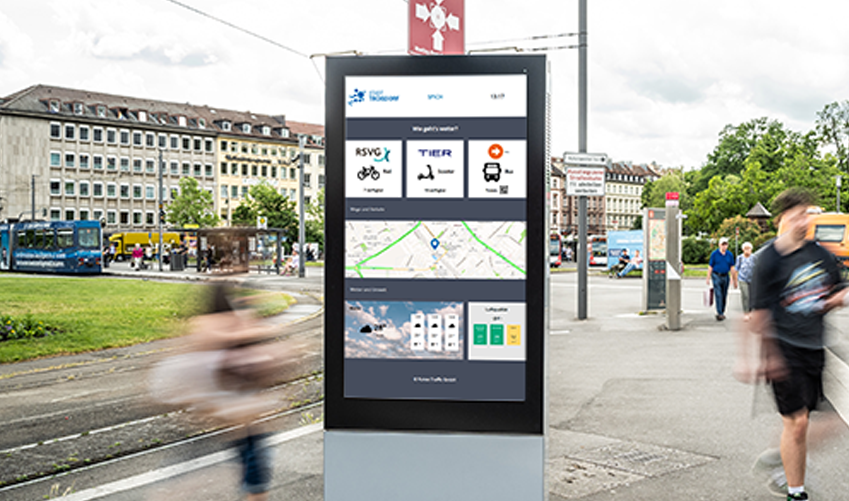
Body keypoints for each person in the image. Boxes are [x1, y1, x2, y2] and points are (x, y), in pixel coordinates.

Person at [744, 188, 846, 500]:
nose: (804, 220)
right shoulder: (769, 259)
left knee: (828, 422)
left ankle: (781, 455)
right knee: (798, 422)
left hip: (814, 347)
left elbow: (832, 295)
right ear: (782, 219)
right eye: (797, 215)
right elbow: (757, 315)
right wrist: (761, 357)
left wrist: (837, 299)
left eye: (808, 213)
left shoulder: (821, 255)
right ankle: (795, 491)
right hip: (783, 347)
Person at [707, 237, 735, 320]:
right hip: (716, 275)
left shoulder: (729, 255)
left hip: (725, 275)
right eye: (723, 244)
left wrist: (732, 278)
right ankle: (719, 313)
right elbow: (710, 266)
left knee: (724, 294)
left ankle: (722, 310)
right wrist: (708, 277)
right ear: (719, 245)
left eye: (725, 244)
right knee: (718, 294)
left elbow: (732, 267)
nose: (724, 246)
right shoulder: (715, 254)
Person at [734, 241, 756, 321]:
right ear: (743, 249)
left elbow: (757, 268)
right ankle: (746, 313)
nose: (747, 250)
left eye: (749, 248)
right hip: (742, 279)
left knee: (752, 296)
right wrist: (735, 280)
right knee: (745, 296)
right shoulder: (740, 258)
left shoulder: (754, 258)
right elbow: (736, 269)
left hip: (752, 279)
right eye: (746, 248)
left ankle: (750, 311)